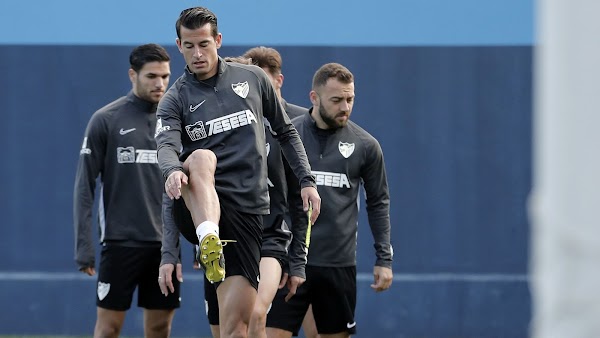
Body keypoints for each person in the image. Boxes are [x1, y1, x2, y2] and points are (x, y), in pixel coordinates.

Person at [154, 7, 321, 338]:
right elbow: (166, 146)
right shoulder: (175, 98)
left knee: (236, 328)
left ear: (218, 40)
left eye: (204, 44)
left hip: (247, 214)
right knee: (200, 157)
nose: (197, 54)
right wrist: (172, 169)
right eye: (189, 46)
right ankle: (208, 237)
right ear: (179, 45)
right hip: (199, 210)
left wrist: (307, 180)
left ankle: (212, 245)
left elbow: (286, 133)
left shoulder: (253, 79)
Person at [265, 63, 394, 338]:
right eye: (336, 100)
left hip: (337, 265)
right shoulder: (286, 137)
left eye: (350, 99)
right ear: (314, 98)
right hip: (288, 260)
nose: (345, 107)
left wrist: (384, 258)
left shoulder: (366, 146)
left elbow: (378, 202)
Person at [73, 43, 180, 338]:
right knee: (108, 329)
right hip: (120, 244)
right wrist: (84, 246)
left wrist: (197, 240)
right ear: (133, 75)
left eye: (165, 76)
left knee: (160, 328)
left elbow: (195, 185)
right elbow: (84, 187)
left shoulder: (176, 121)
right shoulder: (106, 120)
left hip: (165, 247)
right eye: (151, 76)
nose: (160, 84)